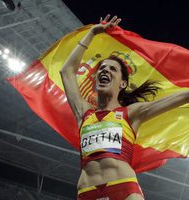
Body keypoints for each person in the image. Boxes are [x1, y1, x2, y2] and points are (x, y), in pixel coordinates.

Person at [60, 15, 189, 200]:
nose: (104, 70)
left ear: (122, 84)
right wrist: (92, 32)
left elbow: (184, 95)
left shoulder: (132, 113)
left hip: (124, 188)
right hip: (87, 192)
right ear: (95, 80)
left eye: (112, 69)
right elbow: (66, 72)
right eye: (102, 68)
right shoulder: (83, 113)